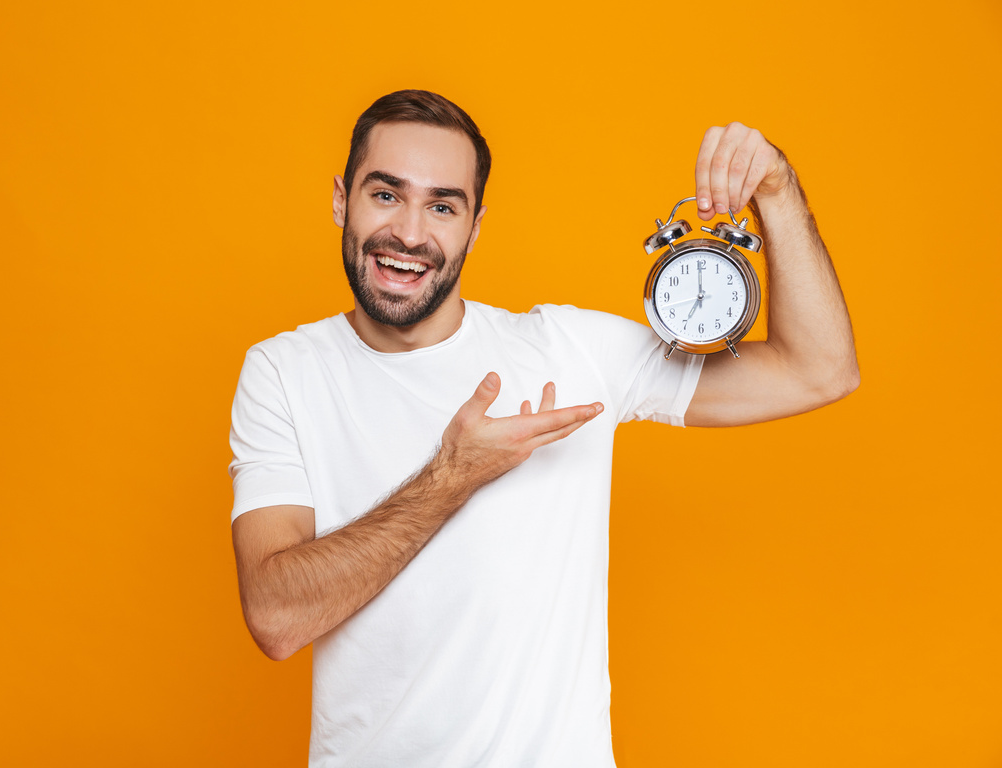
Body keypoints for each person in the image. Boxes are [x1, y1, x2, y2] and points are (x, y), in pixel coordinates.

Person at [228, 90, 858, 767]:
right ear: (340, 199)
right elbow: (276, 617)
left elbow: (818, 369)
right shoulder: (284, 372)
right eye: (386, 195)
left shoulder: (571, 350)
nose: (409, 233)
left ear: (475, 226)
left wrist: (777, 189)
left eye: (443, 205)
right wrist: (453, 474)